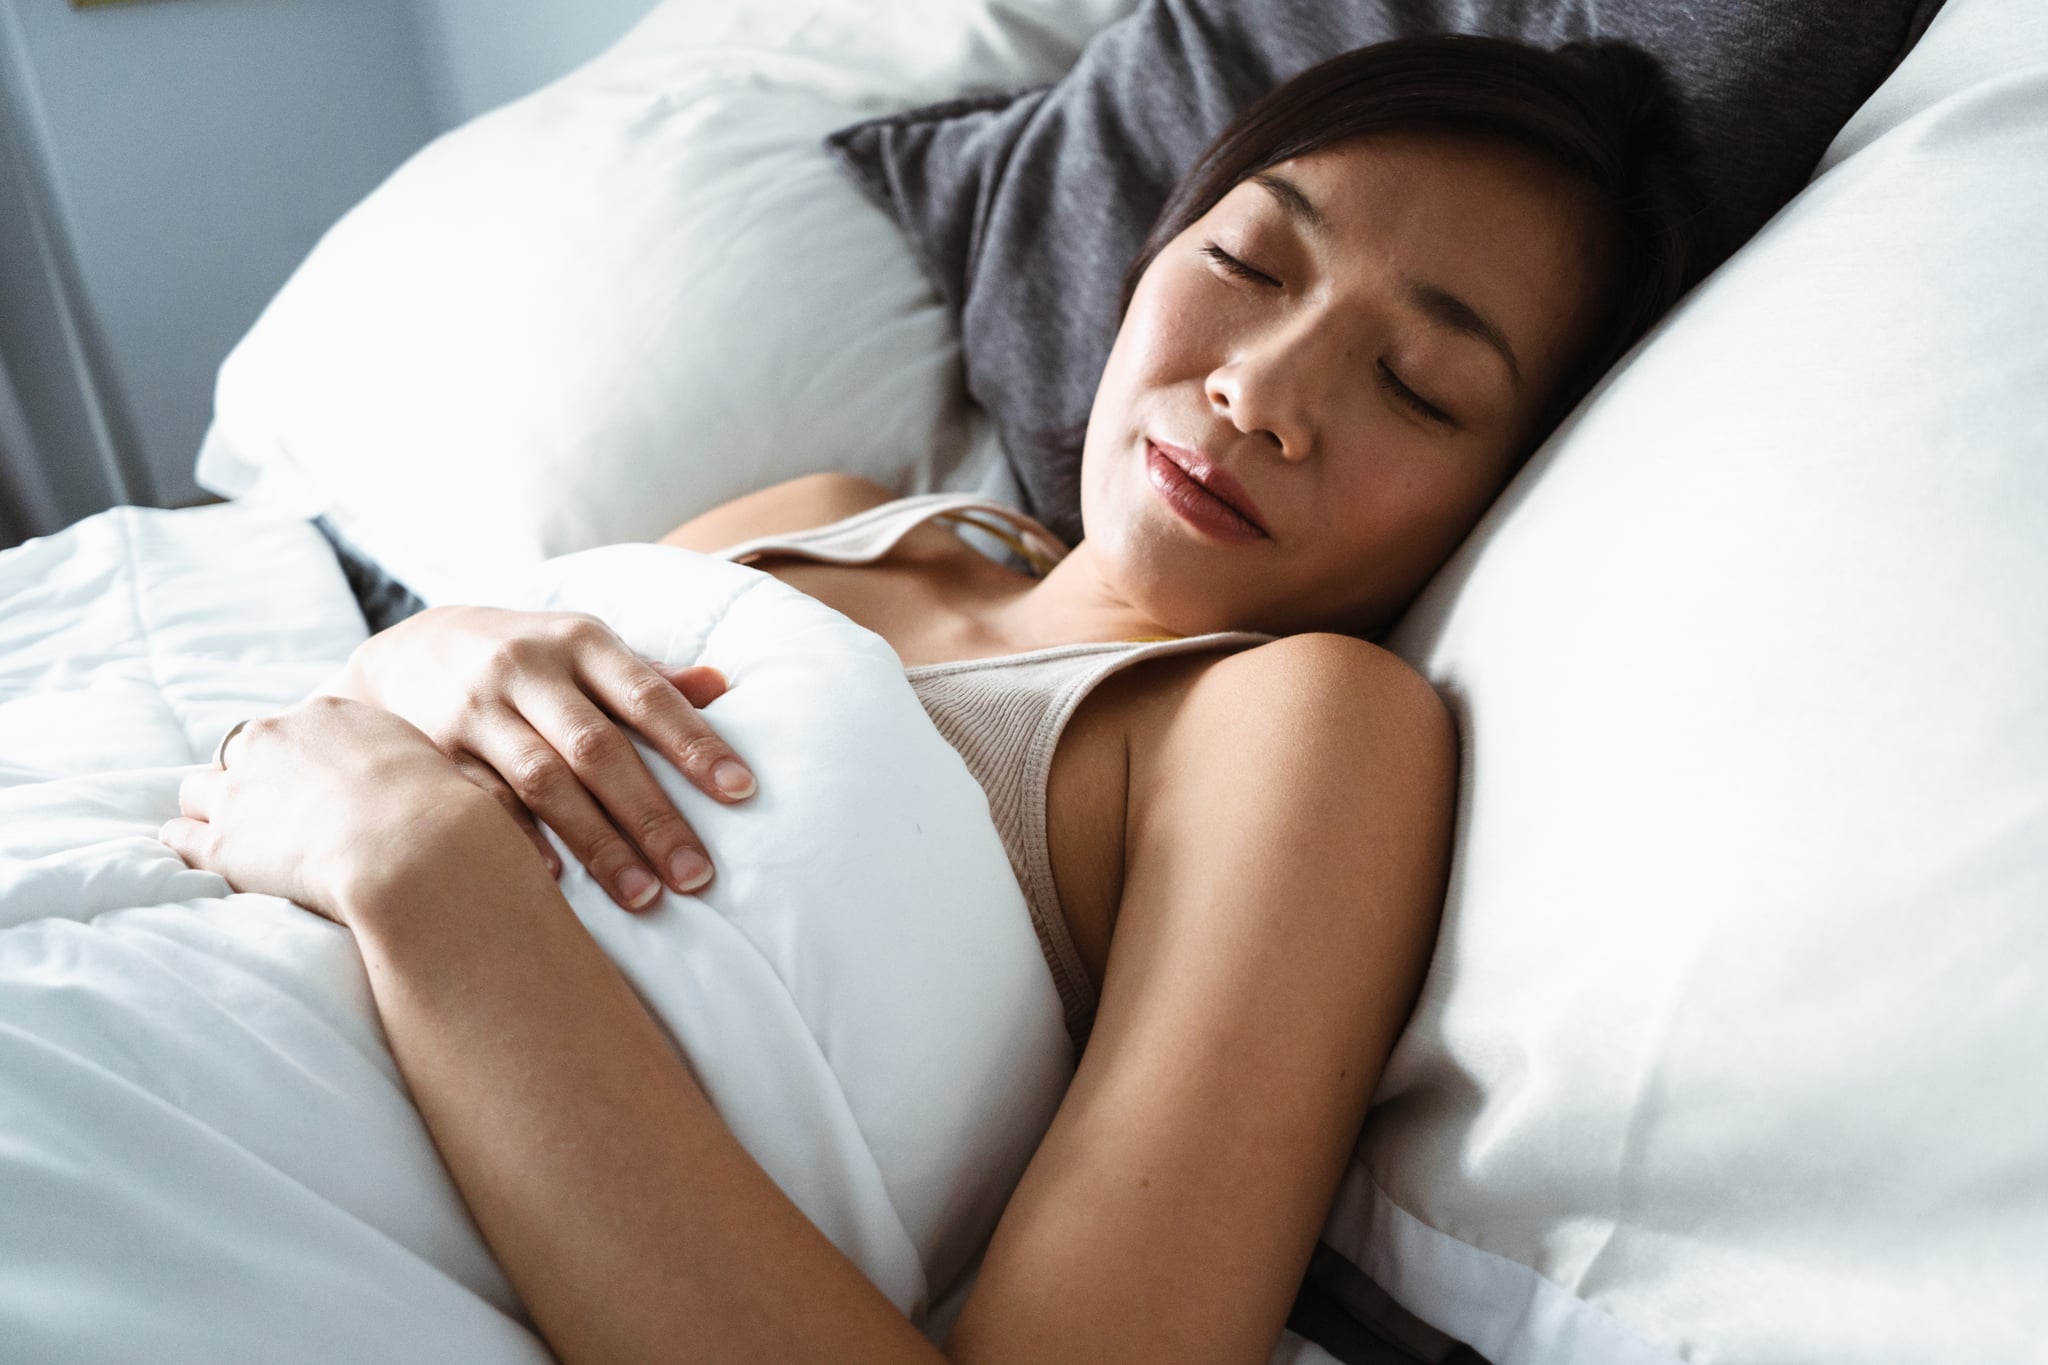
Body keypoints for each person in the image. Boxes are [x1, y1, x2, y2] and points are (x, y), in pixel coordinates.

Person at [159, 33, 1701, 1365]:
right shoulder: (834, 514)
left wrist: (431, 877)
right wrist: (414, 656)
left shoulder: (1299, 724)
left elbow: (391, 827)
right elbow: (300, 764)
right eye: (1248, 261)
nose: (1260, 389)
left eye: (1419, 385)